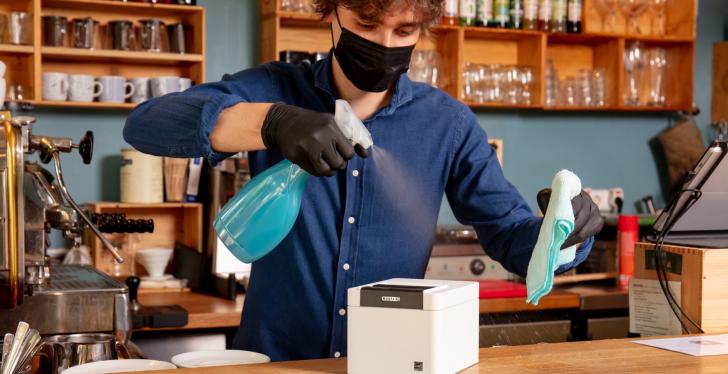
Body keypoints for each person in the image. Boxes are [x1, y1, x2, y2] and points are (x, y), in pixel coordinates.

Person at [123, 0, 603, 362]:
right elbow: (145, 125)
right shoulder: (274, 88)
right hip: (276, 362)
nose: (386, 44)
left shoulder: (448, 125)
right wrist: (272, 122)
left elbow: (513, 238)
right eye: (367, 25)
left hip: (390, 363)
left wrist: (561, 232)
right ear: (331, 13)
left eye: (404, 30)